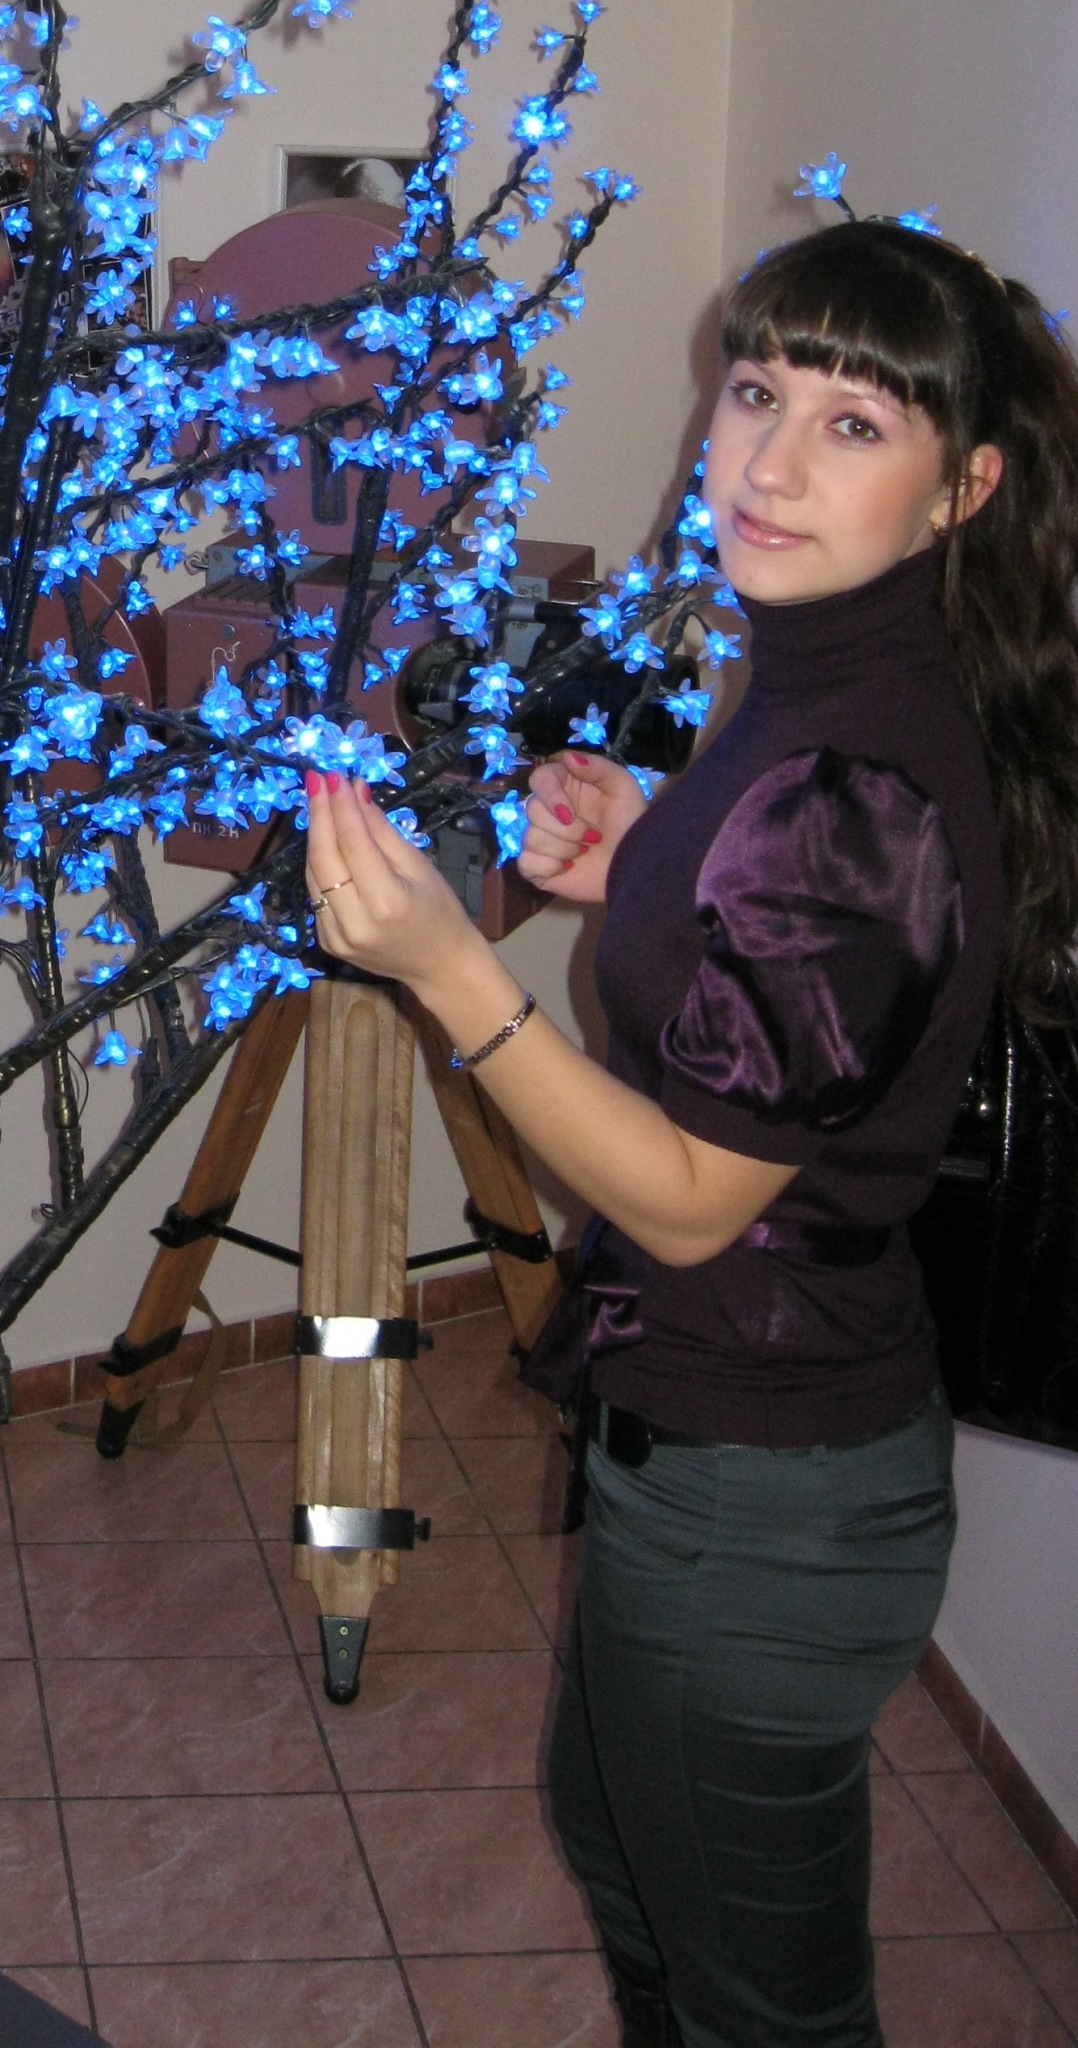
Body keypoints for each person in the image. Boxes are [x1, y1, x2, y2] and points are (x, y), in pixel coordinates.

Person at [304, 217, 1078, 2048]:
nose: (768, 463)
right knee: (626, 1859)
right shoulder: (822, 674)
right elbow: (808, 983)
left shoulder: (852, 765)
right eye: (754, 393)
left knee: (761, 2006)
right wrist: (650, 856)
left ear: (962, 487)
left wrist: (447, 969)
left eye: (852, 425)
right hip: (722, 1451)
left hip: (766, 1488)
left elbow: (684, 1202)